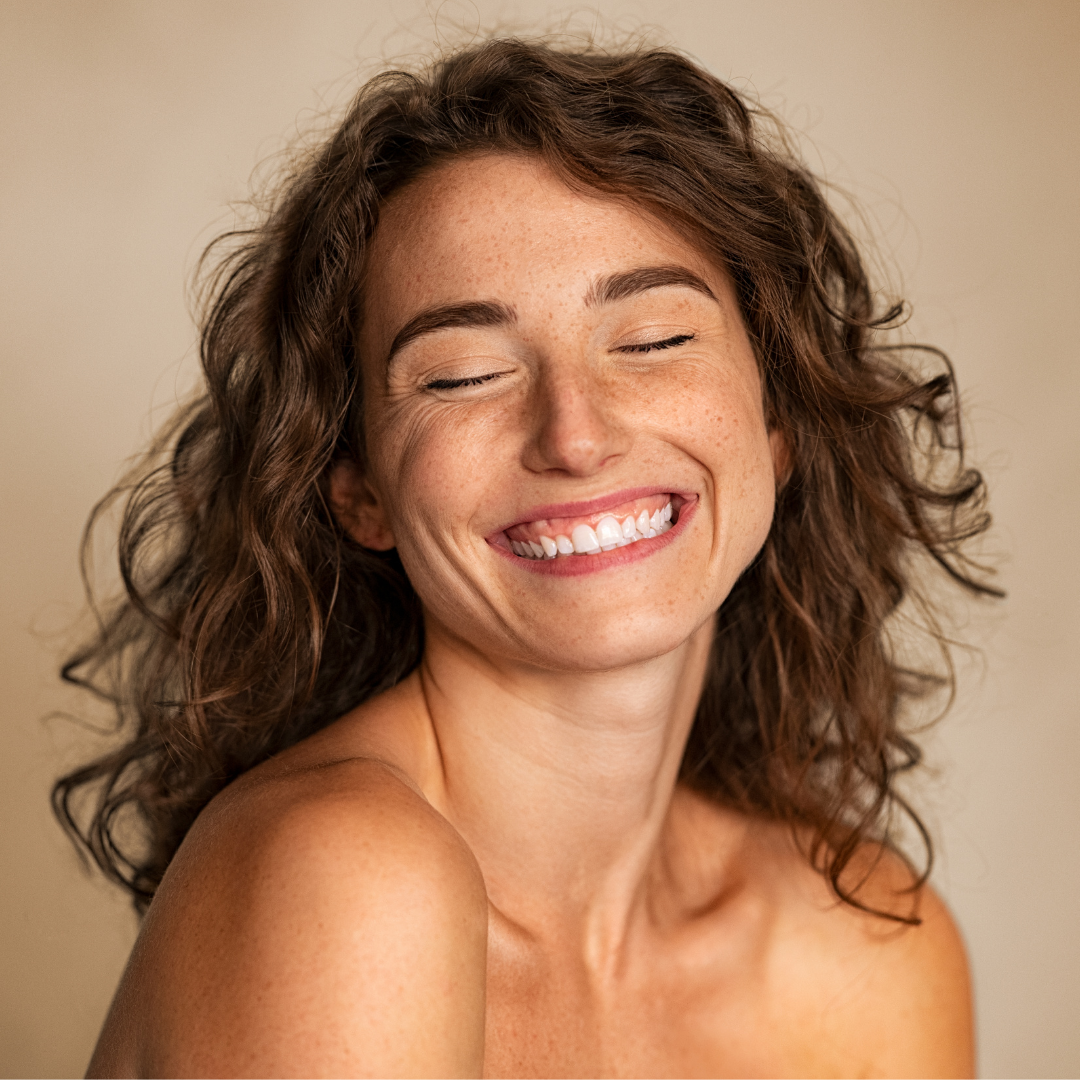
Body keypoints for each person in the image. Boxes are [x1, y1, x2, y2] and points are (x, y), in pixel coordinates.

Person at [55, 37, 997, 1077]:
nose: (575, 436)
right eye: (462, 374)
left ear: (778, 423)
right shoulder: (344, 872)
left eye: (654, 341)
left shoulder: (868, 946)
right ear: (357, 488)